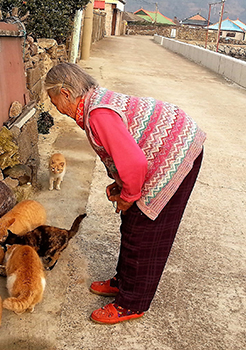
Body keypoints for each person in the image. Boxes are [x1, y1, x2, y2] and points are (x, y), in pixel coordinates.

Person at [44, 62, 205, 325]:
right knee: (131, 224)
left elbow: (135, 164)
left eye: (53, 101)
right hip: (166, 148)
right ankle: (124, 281)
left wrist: (129, 197)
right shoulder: (94, 103)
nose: (55, 109)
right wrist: (121, 184)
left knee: (144, 228)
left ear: (65, 93)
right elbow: (125, 153)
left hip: (178, 151)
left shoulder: (97, 114)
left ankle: (132, 303)